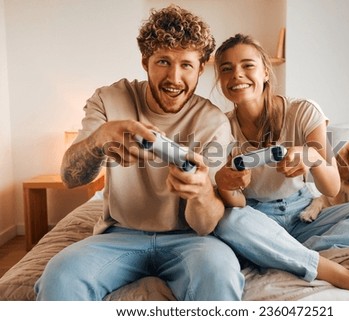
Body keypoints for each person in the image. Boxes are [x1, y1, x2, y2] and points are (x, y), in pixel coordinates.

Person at [34, 5, 245, 301]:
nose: (174, 77)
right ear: (145, 62)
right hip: (119, 235)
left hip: (189, 240)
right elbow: (70, 176)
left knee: (221, 275)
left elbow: (206, 224)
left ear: (201, 68)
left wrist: (200, 193)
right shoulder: (109, 100)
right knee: (60, 277)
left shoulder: (213, 123)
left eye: (186, 64)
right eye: (163, 61)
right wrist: (100, 139)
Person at [212, 33, 349, 298]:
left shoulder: (303, 110)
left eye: (247, 65)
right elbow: (234, 203)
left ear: (265, 72)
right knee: (228, 222)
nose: (237, 74)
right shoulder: (221, 126)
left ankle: (282, 251)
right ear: (220, 79)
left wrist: (311, 157)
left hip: (303, 213)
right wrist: (231, 186)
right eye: (227, 69)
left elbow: (330, 188)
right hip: (258, 217)